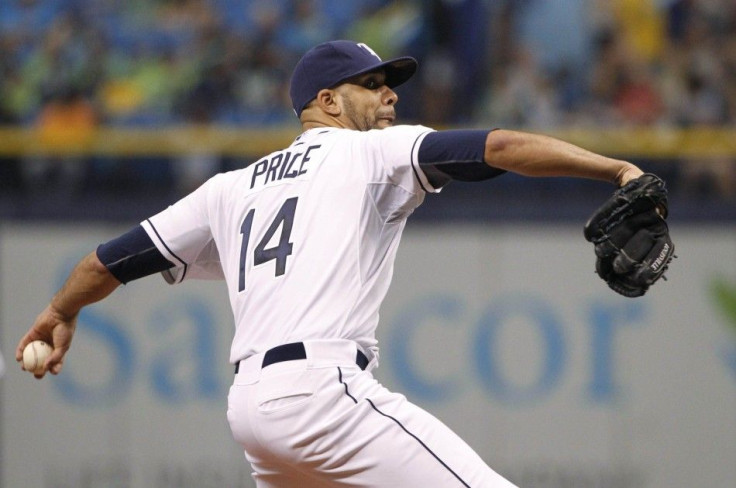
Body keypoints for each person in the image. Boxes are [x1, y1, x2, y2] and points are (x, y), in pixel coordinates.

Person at [17, 40, 662, 487]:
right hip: (324, 392)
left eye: (390, 87)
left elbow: (106, 263)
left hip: (252, 409)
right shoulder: (368, 152)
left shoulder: (229, 189)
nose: (389, 99)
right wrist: (615, 168)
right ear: (328, 102)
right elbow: (502, 145)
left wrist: (57, 311)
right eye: (372, 86)